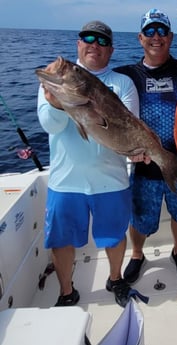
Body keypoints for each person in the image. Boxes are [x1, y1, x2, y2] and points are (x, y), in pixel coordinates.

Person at [37, 20, 141, 308]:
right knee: (61, 240)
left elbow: (129, 126)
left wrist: (138, 148)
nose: (94, 44)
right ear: (78, 44)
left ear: (110, 50)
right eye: (88, 38)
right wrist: (60, 102)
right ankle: (66, 291)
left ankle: (116, 278)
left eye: (102, 40)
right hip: (65, 181)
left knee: (115, 235)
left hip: (111, 179)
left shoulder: (122, 83)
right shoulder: (53, 80)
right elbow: (51, 125)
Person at [114, 9, 177, 284]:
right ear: (140, 38)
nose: (156, 37)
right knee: (139, 218)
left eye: (162, 31)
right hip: (144, 163)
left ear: (171, 36)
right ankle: (137, 254)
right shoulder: (126, 75)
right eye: (150, 31)